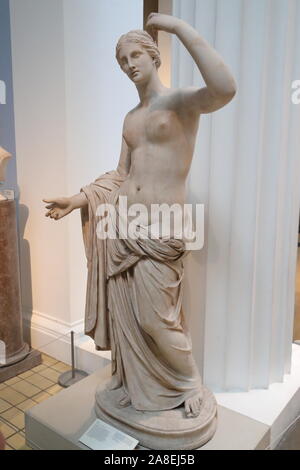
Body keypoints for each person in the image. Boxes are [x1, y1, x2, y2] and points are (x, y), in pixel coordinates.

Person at [44, 13, 236, 418]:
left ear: (154, 58)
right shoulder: (130, 118)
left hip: (162, 229)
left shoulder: (183, 102)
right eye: (122, 60)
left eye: (136, 55)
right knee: (128, 314)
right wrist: (79, 199)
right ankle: (135, 382)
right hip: (121, 227)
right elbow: (121, 174)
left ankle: (188, 382)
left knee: (155, 317)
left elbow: (224, 88)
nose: (130, 64)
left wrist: (178, 28)